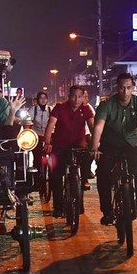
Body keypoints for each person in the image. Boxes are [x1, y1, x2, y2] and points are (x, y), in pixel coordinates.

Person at [91, 73, 137, 223]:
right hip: (110, 144)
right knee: (103, 173)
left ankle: (136, 201)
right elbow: (98, 127)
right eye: (122, 88)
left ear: (133, 88)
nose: (125, 92)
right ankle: (107, 210)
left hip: (131, 143)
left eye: (128, 88)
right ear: (117, 88)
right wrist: (94, 148)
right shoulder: (106, 104)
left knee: (136, 171)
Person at [43, 85, 95, 217]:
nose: (76, 99)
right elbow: (50, 125)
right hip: (60, 145)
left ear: (83, 97)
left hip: (79, 143)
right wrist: (48, 143)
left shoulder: (86, 109)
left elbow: (92, 126)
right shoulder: (59, 107)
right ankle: (58, 207)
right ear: (68, 96)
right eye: (73, 96)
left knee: (87, 156)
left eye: (79, 96)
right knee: (56, 176)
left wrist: (96, 144)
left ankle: (83, 182)